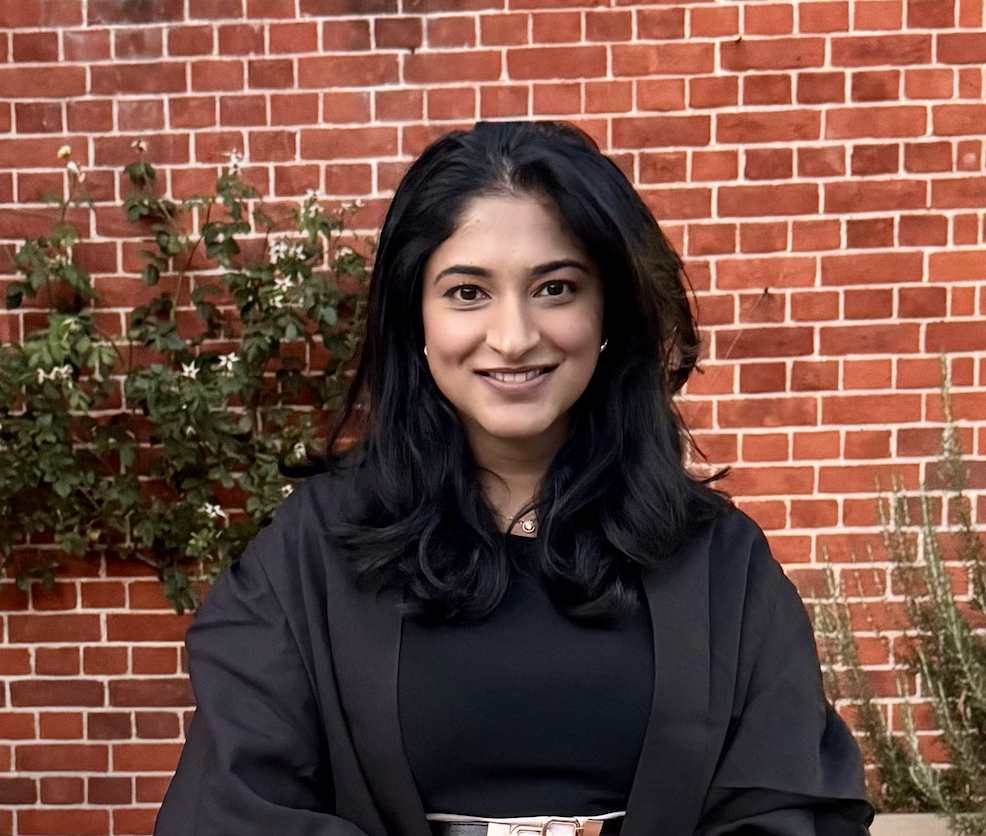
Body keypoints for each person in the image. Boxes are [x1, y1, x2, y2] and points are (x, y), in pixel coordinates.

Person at [154, 121, 873, 836]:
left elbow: (786, 808)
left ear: (608, 311)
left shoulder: (719, 563)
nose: (514, 337)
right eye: (468, 293)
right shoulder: (311, 553)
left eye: (555, 288)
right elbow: (232, 808)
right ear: (415, 318)